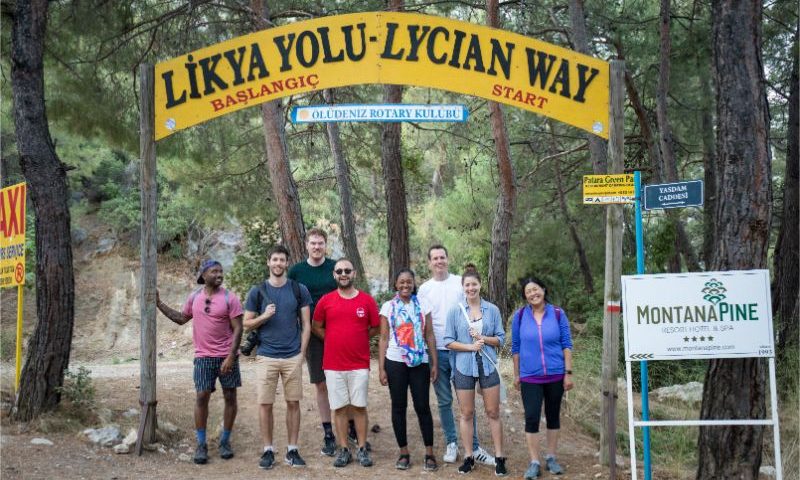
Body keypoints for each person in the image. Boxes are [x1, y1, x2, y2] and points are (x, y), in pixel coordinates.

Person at [155, 259, 243, 464]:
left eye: (221, 271)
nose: (219, 275)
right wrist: (158, 303)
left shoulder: (230, 298)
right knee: (202, 396)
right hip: (203, 357)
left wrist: (231, 356)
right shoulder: (194, 297)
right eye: (214, 271)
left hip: (226, 356)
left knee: (230, 397)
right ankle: (201, 444)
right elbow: (180, 318)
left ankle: (225, 441)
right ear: (203, 275)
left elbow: (238, 328)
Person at [289, 228, 366, 456]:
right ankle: (328, 433)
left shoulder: (336, 268)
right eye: (312, 243)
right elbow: (290, 299)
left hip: (340, 333)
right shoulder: (297, 271)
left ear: (325, 245)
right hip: (313, 335)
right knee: (321, 384)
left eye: (320, 243)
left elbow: (349, 292)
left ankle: (352, 427)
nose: (316, 247)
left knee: (348, 380)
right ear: (306, 245)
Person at [418, 245, 495, 466]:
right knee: (444, 400)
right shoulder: (424, 289)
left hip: (462, 350)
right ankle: (452, 442)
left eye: (442, 257)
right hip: (438, 351)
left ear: (448, 259)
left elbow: (473, 308)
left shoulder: (460, 283)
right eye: (435, 258)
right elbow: (423, 322)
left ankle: (475, 447)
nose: (439, 261)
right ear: (429, 262)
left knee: (467, 401)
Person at [243, 245, 312, 469]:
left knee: (293, 402)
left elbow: (306, 325)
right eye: (274, 259)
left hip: (292, 355)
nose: (278, 264)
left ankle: (292, 450)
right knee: (265, 404)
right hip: (266, 356)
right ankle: (268, 450)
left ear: (287, 263)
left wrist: (301, 354)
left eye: (282, 260)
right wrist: (264, 316)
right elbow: (246, 324)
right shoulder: (257, 291)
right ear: (268, 262)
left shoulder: (298, 289)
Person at [311, 258, 380, 468]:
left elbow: (376, 327)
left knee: (359, 407)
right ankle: (343, 450)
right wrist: (331, 339)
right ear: (334, 274)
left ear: (354, 273)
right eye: (339, 271)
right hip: (333, 364)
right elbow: (316, 326)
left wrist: (359, 337)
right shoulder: (326, 300)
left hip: (359, 364)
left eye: (347, 270)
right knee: (339, 408)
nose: (343, 274)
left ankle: (361, 449)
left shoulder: (367, 301)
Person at [444, 264, 507, 476]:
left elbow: (501, 339)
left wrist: (483, 339)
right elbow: (448, 341)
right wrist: (470, 346)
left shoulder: (493, 310)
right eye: (467, 285)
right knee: (466, 413)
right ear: (463, 287)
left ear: (480, 285)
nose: (471, 288)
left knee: (493, 412)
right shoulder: (455, 311)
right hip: (463, 367)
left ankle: (499, 458)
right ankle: (469, 456)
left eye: (474, 284)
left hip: (487, 366)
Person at [512, 276, 573, 478]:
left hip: (556, 374)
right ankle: (534, 462)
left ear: (544, 290)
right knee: (531, 417)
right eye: (528, 291)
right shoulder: (520, 316)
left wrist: (568, 373)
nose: (533, 294)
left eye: (535, 289)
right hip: (530, 377)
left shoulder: (557, 314)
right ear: (525, 296)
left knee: (553, 416)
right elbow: (516, 348)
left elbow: (566, 344)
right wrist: (516, 375)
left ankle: (551, 458)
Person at [378, 269, 439, 471]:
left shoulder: (423, 305)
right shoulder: (388, 307)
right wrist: (381, 368)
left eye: (409, 282)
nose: (405, 285)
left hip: (419, 362)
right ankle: (403, 452)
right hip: (395, 362)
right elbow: (384, 338)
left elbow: (429, 334)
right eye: (401, 282)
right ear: (395, 284)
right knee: (398, 406)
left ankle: (429, 453)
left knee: (422, 406)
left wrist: (434, 363)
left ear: (414, 284)